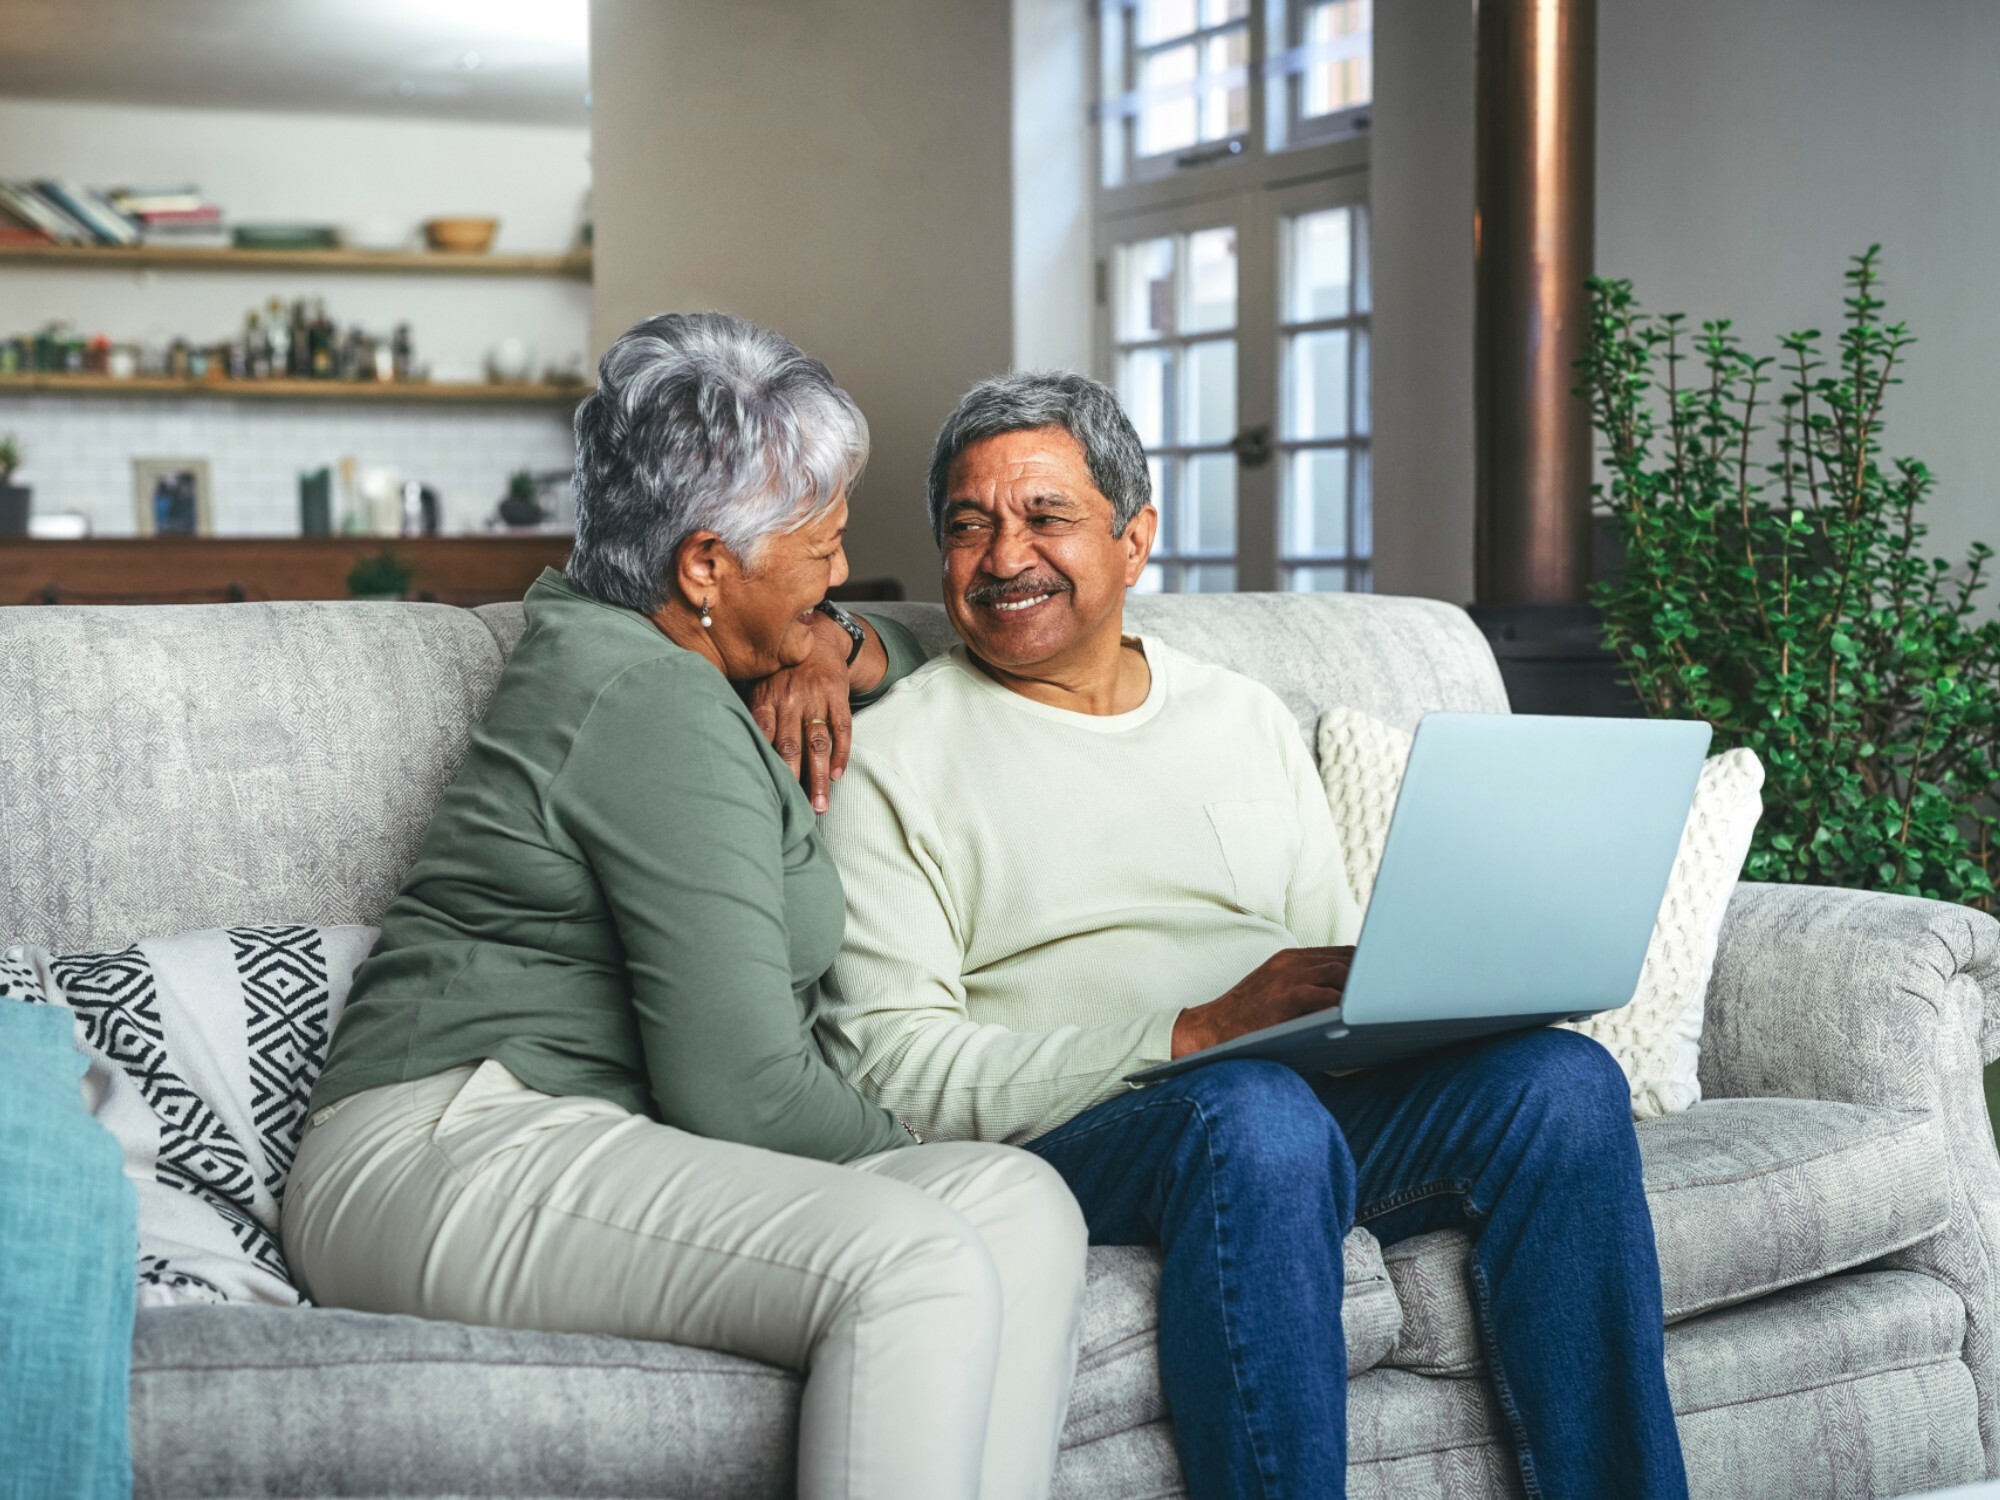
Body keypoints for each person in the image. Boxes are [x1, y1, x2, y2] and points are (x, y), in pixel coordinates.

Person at [815, 371, 1690, 1500]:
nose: (1000, 556)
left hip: (1276, 1109)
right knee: (1253, 1114)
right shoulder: (889, 758)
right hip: (1077, 1137)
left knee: (1559, 1081)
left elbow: (1330, 986)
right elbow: (891, 1069)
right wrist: (1191, 1032)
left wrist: (1459, 997)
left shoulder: (1239, 717)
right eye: (966, 525)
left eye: (1044, 517)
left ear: (1134, 541)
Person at [282, 317, 1088, 1500]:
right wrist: (906, 1151)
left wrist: (837, 647)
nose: (836, 571)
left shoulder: (664, 646)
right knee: (916, 1257)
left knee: (1017, 1202)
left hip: (566, 1133)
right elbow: (741, 1090)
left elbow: (922, 645)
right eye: (818, 546)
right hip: (443, 1146)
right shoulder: (648, 700)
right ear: (704, 566)